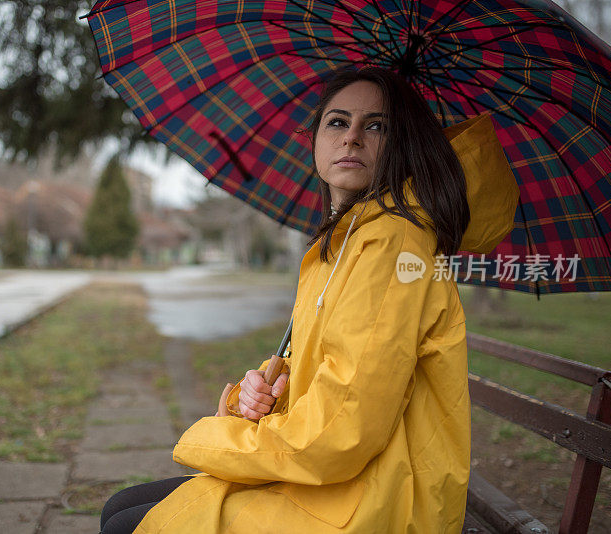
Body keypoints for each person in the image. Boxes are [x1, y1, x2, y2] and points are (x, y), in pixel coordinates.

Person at [100, 66, 518, 533]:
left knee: (129, 525)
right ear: (314, 138)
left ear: (402, 146)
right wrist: (257, 396)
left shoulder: (392, 244)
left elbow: (343, 430)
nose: (353, 138)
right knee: (122, 507)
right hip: (329, 481)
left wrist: (217, 438)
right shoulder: (338, 246)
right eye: (338, 122)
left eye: (376, 126)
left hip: (378, 499)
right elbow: (324, 377)